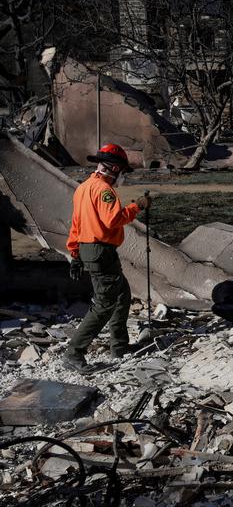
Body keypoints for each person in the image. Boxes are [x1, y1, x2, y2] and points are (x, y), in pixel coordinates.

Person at [62, 143, 151, 373]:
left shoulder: (83, 188)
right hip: (101, 251)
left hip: (90, 250)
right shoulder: (103, 190)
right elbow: (113, 221)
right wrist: (136, 207)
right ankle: (74, 353)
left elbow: (76, 225)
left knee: (122, 293)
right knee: (104, 304)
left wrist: (75, 255)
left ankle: (119, 346)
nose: (121, 176)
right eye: (121, 171)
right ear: (113, 168)